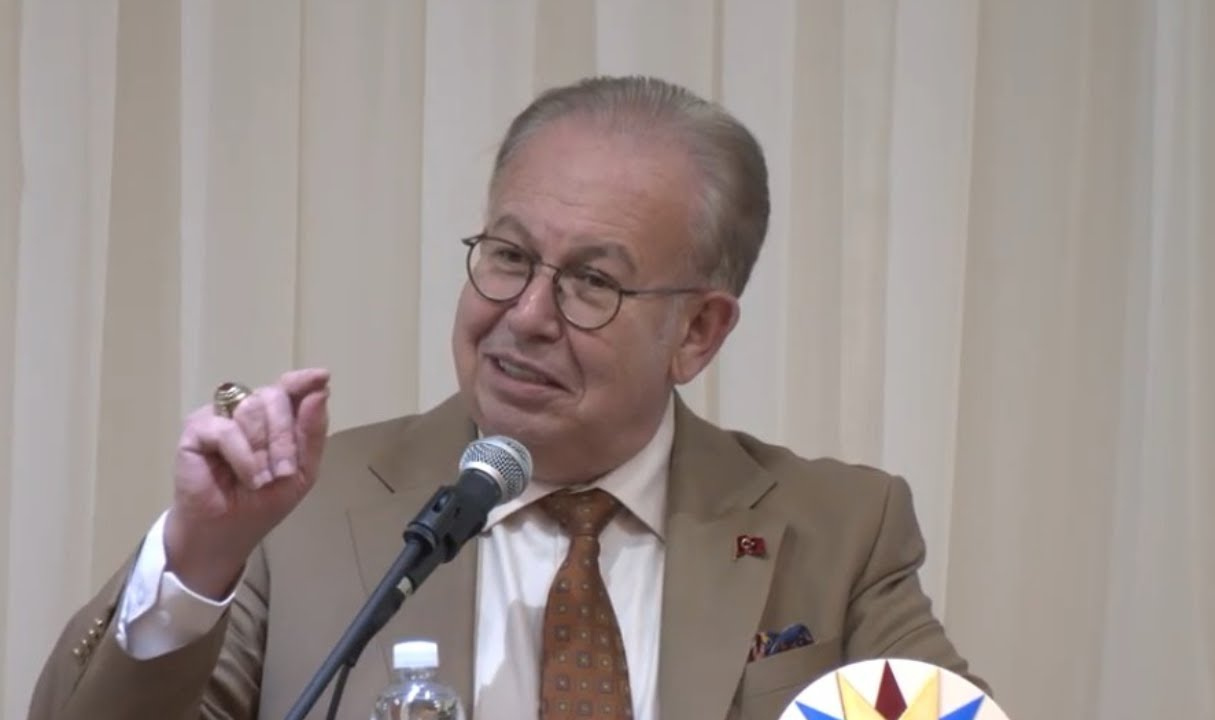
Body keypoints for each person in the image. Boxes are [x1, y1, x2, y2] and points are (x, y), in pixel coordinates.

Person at [28, 75, 982, 720]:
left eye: (593, 282)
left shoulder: (840, 532)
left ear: (698, 331)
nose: (525, 315)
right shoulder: (304, 513)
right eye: (509, 256)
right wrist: (199, 560)